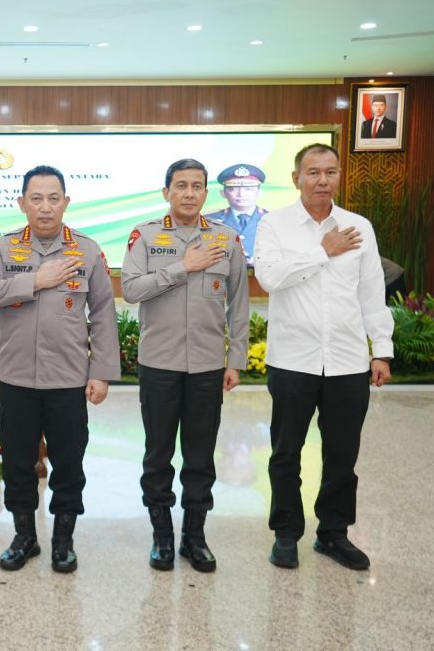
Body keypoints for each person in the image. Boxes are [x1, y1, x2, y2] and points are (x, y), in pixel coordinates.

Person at [0, 165, 120, 574]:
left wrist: (101, 371)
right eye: (36, 199)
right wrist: (35, 280)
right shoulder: (4, 248)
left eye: (54, 198)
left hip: (68, 380)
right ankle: (24, 537)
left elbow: (103, 313)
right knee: (17, 462)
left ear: (66, 202)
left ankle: (63, 540)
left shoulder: (87, 250)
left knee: (68, 463)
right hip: (17, 379)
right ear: (22, 203)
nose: (45, 207)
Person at [254, 143, 393, 571]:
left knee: (342, 454)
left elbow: (372, 292)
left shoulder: (358, 227)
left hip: (348, 361)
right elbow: (269, 277)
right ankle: (286, 533)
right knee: (285, 453)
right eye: (313, 172)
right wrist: (322, 249)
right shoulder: (274, 224)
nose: (322, 180)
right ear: (296, 178)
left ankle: (333, 533)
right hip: (292, 360)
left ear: (338, 176)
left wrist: (381, 350)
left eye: (330, 172)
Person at [121, 158, 249, 573]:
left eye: (197, 186)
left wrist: (236, 359)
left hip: (208, 366)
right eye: (181, 185)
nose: (189, 193)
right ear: (167, 192)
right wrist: (183, 267)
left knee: (200, 456)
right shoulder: (145, 235)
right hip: (159, 364)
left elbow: (238, 304)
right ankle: (162, 535)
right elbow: (132, 289)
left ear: (206, 193)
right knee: (158, 454)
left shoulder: (226, 239)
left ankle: (195, 536)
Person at [204, 163, 268, 264]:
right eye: (233, 189)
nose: (241, 194)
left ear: (259, 192)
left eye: (248, 189)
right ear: (223, 193)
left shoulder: (273, 219)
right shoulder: (207, 221)